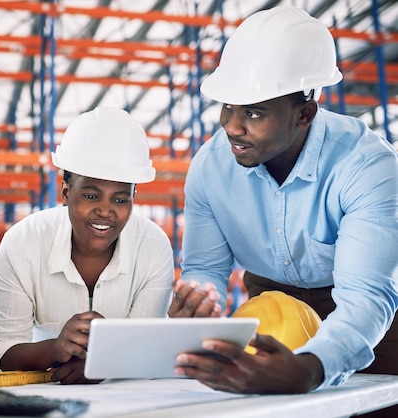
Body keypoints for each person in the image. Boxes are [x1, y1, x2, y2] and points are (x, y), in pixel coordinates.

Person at [170, 4, 398, 410]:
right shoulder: (210, 168)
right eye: (227, 106)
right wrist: (201, 298)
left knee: (375, 402)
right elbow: (205, 270)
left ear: (304, 113)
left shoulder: (367, 166)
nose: (231, 126)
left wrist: (311, 367)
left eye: (253, 113)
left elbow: (365, 297)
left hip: (371, 323)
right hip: (274, 308)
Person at [0, 106, 176, 384]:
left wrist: (105, 360)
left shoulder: (153, 248)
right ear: (65, 192)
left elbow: (143, 348)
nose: (106, 211)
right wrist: (54, 348)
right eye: (90, 195)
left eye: (120, 200)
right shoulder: (22, 244)